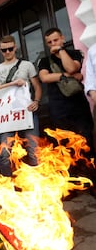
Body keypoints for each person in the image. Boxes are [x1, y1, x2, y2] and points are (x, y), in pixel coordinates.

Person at [38, 28, 96, 192]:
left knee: (87, 144)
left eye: (55, 40)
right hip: (59, 109)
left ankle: (91, 182)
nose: (52, 44)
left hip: (79, 108)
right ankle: (72, 185)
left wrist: (61, 51)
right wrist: (67, 76)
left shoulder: (75, 53)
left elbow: (72, 67)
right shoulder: (44, 60)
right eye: (49, 42)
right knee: (65, 148)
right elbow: (44, 77)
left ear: (62, 38)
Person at [0, 35, 42, 177]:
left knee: (33, 151)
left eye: (10, 49)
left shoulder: (27, 65)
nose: (7, 52)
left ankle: (39, 187)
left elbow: (37, 86)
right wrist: (13, 83)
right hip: (6, 116)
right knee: (5, 154)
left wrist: (36, 101)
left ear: (15, 48)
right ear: (0, 50)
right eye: (4, 50)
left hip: (26, 112)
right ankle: (8, 188)